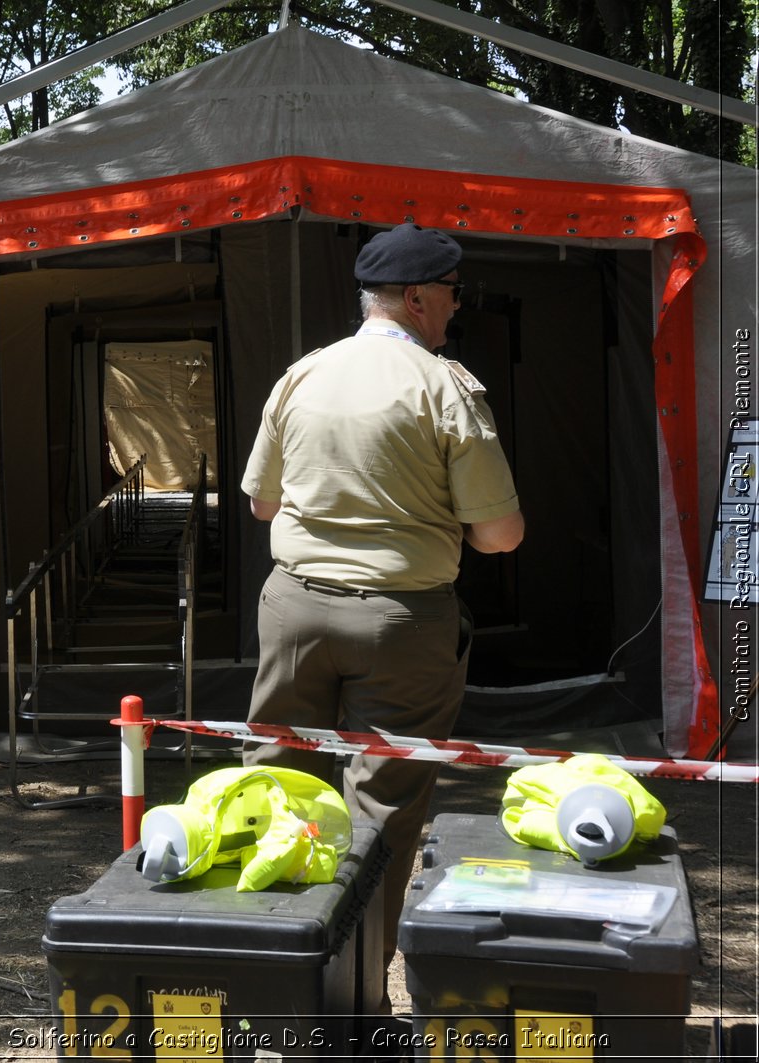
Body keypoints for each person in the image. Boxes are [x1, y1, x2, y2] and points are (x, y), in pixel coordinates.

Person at [239, 224, 524, 977]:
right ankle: (360, 990)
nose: (455, 310)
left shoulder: (302, 375)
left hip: (294, 607)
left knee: (279, 780)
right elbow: (499, 535)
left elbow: (262, 506)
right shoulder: (446, 386)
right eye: (453, 296)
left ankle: (268, 967)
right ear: (421, 299)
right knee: (385, 808)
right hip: (403, 620)